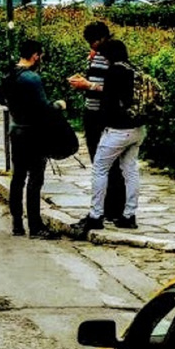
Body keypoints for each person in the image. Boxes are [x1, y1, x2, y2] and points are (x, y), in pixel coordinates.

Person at [0, 39, 61, 238]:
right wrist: (60, 105)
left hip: (16, 130)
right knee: (35, 178)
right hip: (34, 133)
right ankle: (35, 225)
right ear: (35, 55)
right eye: (39, 55)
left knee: (18, 178)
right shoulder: (32, 78)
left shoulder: (8, 75)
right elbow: (45, 108)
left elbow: (2, 100)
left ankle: (17, 223)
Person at [82, 39, 143, 235]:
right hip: (138, 129)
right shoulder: (134, 69)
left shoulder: (113, 72)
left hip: (117, 130)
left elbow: (106, 103)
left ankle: (96, 215)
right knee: (131, 170)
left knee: (100, 168)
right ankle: (129, 215)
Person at [67, 22, 125, 227]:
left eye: (93, 42)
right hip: (92, 112)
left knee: (105, 164)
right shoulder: (99, 56)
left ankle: (110, 209)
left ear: (101, 39)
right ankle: (111, 208)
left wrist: (88, 85)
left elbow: (112, 88)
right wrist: (84, 83)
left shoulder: (111, 57)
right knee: (103, 162)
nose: (92, 46)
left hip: (101, 115)